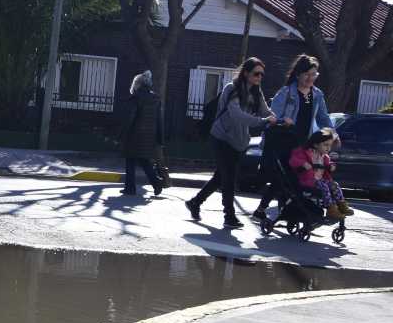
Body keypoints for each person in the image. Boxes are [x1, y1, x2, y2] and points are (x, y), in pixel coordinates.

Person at [186, 57, 277, 229]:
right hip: (221, 138)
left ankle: (195, 202)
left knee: (220, 177)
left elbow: (266, 110)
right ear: (246, 73)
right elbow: (236, 115)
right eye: (256, 74)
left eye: (261, 75)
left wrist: (277, 119)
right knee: (229, 177)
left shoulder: (257, 92)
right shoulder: (232, 89)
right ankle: (229, 216)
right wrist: (263, 121)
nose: (259, 77)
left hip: (238, 141)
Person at [253, 54, 335, 221]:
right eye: (307, 74)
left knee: (289, 179)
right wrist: (283, 121)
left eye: (314, 75)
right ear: (298, 74)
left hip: (303, 144)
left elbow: (323, 118)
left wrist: (333, 134)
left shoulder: (317, 94)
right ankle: (294, 211)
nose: (311, 78)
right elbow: (271, 117)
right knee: (287, 178)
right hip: (284, 142)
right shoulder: (286, 93)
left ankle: (269, 210)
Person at [289, 128, 353, 220]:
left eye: (330, 145)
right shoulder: (305, 152)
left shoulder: (324, 157)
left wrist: (331, 166)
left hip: (320, 181)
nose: (328, 148)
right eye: (325, 145)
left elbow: (328, 164)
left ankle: (341, 204)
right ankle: (330, 208)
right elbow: (293, 160)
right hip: (308, 181)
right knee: (324, 185)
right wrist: (303, 163)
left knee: (334, 185)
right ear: (315, 144)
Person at [119, 70, 165, 197]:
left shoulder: (135, 98)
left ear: (137, 84)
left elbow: (130, 118)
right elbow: (159, 120)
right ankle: (156, 183)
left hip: (134, 135)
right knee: (145, 161)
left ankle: (130, 188)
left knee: (130, 160)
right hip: (149, 137)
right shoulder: (156, 99)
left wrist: (122, 134)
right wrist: (160, 139)